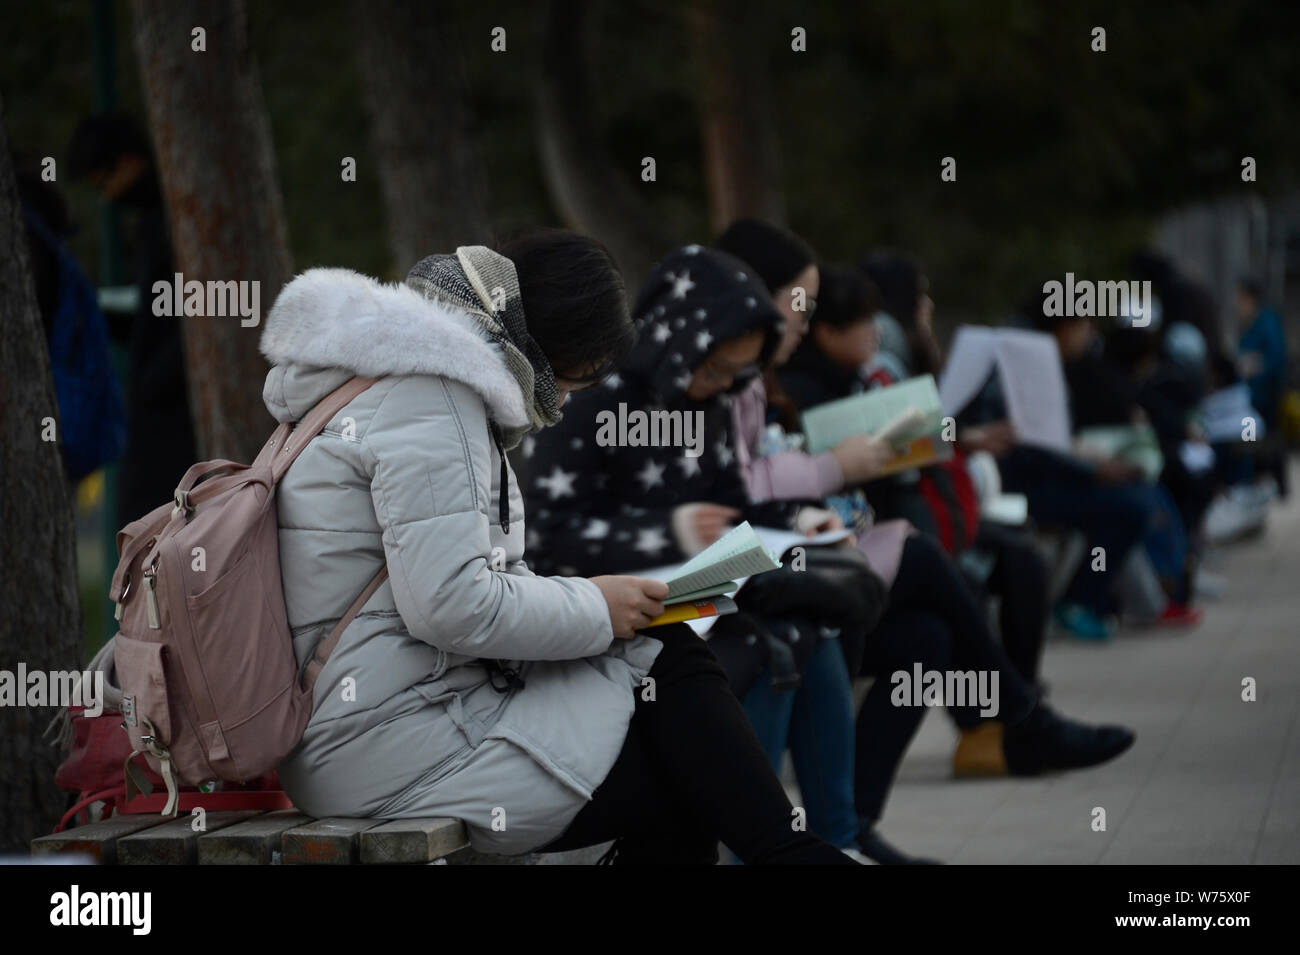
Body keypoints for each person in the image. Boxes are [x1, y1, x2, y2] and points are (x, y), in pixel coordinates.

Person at [261, 229, 853, 865]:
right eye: (577, 379)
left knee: (672, 686)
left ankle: (792, 852)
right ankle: (795, 853)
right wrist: (599, 605)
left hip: (382, 725)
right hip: (381, 746)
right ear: (547, 349)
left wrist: (603, 608)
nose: (568, 401)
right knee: (685, 747)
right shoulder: (429, 400)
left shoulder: (401, 385)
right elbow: (453, 605)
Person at [714, 221, 1135, 847]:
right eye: (795, 305)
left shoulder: (769, 380)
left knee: (927, 640)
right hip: (756, 588)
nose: (798, 323)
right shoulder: (739, 382)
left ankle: (851, 829)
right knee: (920, 564)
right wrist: (836, 473)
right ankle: (1020, 715)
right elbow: (734, 491)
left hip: (809, 571)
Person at [521, 243, 874, 862]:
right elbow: (545, 538)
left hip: (694, 598)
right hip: (602, 616)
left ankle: (836, 836)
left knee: (809, 627)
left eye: (735, 374)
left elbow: (735, 504)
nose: (717, 385)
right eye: (710, 368)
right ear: (675, 342)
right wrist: (672, 530)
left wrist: (802, 519)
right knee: (767, 649)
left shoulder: (706, 404)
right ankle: (779, 847)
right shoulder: (589, 399)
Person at [67, 113, 197, 525]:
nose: (108, 197)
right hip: (158, 406)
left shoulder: (174, 220)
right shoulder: (153, 224)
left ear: (128, 162)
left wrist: (155, 377)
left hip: (174, 418)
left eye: (106, 181)